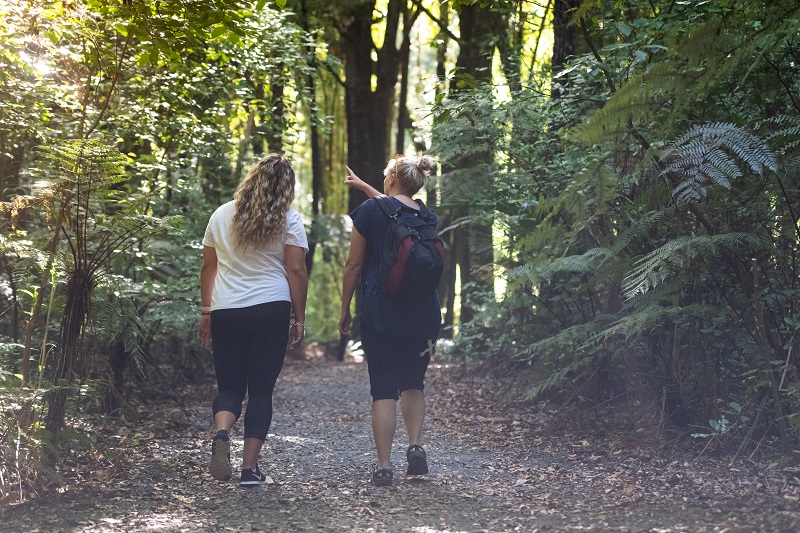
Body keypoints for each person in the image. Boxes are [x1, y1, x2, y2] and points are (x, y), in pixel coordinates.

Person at [197, 153, 308, 487]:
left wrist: (206, 312)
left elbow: (209, 267)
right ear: (287, 187)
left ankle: (221, 433)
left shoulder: (221, 215)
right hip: (270, 309)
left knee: (229, 385)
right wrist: (298, 319)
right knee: (261, 391)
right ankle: (249, 470)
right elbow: (296, 270)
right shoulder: (288, 219)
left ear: (251, 178)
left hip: (226, 310)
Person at [338, 154, 441, 486]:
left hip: (380, 314)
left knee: (383, 388)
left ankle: (384, 466)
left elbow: (353, 265)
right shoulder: (426, 215)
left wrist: (345, 310)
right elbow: (393, 209)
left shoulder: (368, 213)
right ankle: (414, 447)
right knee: (413, 382)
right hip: (424, 314)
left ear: (393, 178)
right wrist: (366, 187)